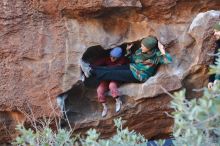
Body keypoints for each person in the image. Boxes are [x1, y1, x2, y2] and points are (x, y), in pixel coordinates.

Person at [80, 36, 172, 84]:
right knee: (111, 69)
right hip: (132, 67)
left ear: (150, 48)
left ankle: (91, 72)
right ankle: (89, 68)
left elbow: (168, 60)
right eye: (142, 45)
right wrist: (128, 51)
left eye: (144, 46)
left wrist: (161, 49)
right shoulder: (140, 51)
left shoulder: (156, 56)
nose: (141, 46)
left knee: (112, 74)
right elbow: (132, 59)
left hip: (139, 75)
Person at [92, 47, 128, 117]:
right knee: (99, 90)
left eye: (114, 57)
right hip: (107, 78)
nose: (112, 58)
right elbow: (95, 64)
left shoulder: (123, 60)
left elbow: (128, 65)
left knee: (112, 86)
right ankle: (105, 106)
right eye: (111, 56)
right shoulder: (106, 59)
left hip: (116, 78)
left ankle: (118, 101)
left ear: (119, 57)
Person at [208, 22, 220, 89]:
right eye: (214, 31)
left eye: (217, 31)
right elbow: (215, 63)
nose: (214, 34)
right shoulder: (218, 45)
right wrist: (211, 80)